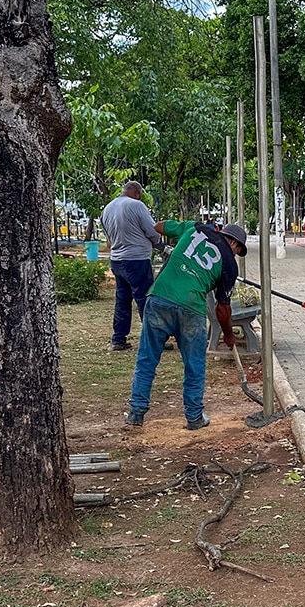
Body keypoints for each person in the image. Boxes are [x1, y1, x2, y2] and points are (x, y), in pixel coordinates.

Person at [125, 221, 248, 430]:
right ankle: (194, 417)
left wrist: (175, 244)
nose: (235, 254)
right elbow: (222, 308)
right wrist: (228, 334)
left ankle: (136, 413)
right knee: (194, 365)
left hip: (159, 299)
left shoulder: (195, 228)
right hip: (191, 308)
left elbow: (158, 227)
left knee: (147, 360)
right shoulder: (229, 265)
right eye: (238, 250)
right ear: (234, 242)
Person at [101, 181, 163, 351]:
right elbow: (152, 232)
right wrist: (160, 245)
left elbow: (108, 239)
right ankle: (155, 340)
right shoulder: (136, 205)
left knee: (122, 300)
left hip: (117, 260)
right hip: (137, 260)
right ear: (137, 193)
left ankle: (118, 339)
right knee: (145, 299)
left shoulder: (107, 209)